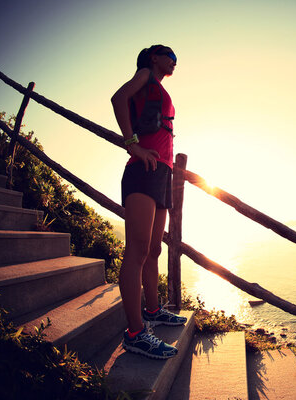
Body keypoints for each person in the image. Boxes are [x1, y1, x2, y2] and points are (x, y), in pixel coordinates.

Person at [111, 44, 187, 360]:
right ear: (154, 57)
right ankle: (135, 333)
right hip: (142, 171)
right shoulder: (145, 75)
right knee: (138, 250)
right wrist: (132, 146)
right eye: (170, 55)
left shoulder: (159, 87)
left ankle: (153, 311)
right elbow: (118, 99)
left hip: (162, 174)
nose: (175, 61)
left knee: (154, 249)